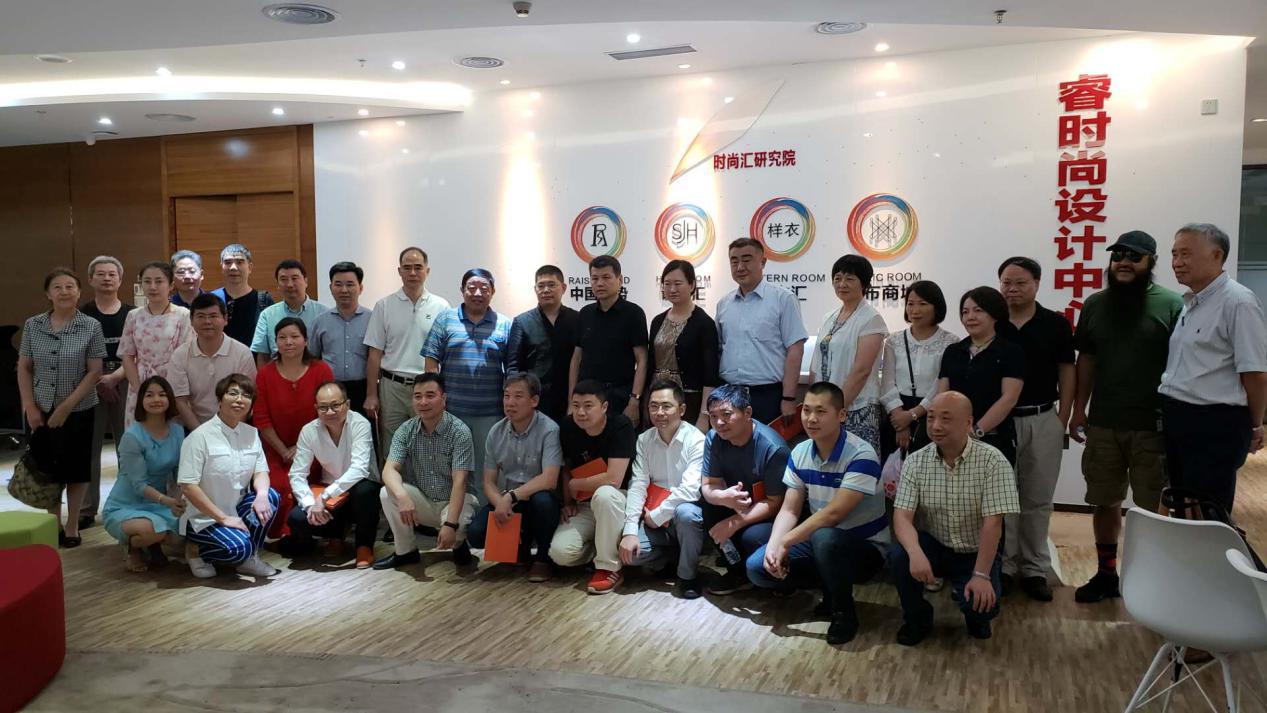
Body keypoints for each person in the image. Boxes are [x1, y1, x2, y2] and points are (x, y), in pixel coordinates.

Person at [1068, 231, 1183, 603]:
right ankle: (1106, 574)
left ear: (1151, 262)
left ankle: (1153, 581)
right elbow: (1086, 360)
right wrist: (1078, 410)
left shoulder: (1171, 304)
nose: (1124, 263)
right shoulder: (1095, 305)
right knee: (1104, 501)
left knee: (1155, 509)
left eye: (1134, 257)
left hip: (1154, 426)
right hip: (1104, 424)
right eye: (1118, 255)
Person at [747, 382, 889, 645]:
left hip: (865, 548)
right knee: (758, 567)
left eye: (821, 411)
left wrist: (787, 541)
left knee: (825, 537)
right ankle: (828, 586)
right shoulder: (800, 451)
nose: (811, 419)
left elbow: (834, 514)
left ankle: (844, 613)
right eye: (806, 410)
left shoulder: (862, 454)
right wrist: (776, 547)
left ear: (841, 415)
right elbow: (790, 508)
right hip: (821, 541)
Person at [890, 391, 1020, 645]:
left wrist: (981, 575)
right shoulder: (916, 461)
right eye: (931, 418)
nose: (936, 426)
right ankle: (917, 618)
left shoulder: (993, 461)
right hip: (935, 544)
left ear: (968, 423)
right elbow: (902, 516)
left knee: (981, 609)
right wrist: (915, 553)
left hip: (975, 551)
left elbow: (993, 524)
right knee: (900, 555)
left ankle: (974, 611)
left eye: (946, 419)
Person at [1159, 223, 1267, 512]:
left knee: (1208, 509)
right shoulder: (1192, 302)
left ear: (1217, 255)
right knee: (1183, 505)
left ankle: (1211, 544)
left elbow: (1255, 373)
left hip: (1214, 423)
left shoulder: (1238, 302)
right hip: (1179, 416)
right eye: (1174, 254)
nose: (1177, 263)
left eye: (1186, 254)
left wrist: (1255, 424)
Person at [997, 256, 1076, 602]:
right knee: (1002, 497)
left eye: (1020, 283)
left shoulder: (1055, 324)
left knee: (1038, 498)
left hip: (1044, 417)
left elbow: (1067, 371)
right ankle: (1004, 565)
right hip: (1001, 421)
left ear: (1037, 284)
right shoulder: (993, 321)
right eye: (1006, 283)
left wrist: (1064, 418)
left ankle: (1034, 568)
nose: (1012, 289)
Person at [17, 268, 106, 548]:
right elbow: (24, 367)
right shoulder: (33, 325)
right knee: (47, 468)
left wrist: (67, 407)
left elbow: (95, 371)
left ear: (79, 292)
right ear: (48, 293)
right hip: (41, 407)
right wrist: (29, 406)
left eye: (70, 287)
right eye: (57, 287)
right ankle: (53, 522)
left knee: (77, 469)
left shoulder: (91, 326)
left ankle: (72, 525)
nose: (64, 292)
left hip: (79, 408)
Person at [177, 373, 280, 579]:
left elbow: (261, 471)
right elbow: (188, 486)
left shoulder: (251, 433)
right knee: (238, 549)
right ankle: (195, 550)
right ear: (220, 399)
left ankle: (249, 559)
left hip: (236, 511)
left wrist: (261, 496)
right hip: (203, 517)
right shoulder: (199, 437)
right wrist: (222, 518)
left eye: (246, 396)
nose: (239, 400)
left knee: (271, 497)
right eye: (233, 394)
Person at [423, 268, 511, 503]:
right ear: (462, 290)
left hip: (490, 414)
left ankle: (482, 520)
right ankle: (453, 517)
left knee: (487, 472)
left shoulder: (504, 324)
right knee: (452, 469)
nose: (478, 293)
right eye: (472, 288)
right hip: (452, 412)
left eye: (484, 288)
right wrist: (434, 400)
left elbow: (512, 370)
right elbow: (431, 361)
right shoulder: (446, 319)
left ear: (493, 292)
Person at [373, 373, 478, 570]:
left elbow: (460, 481)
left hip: (455, 501)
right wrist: (402, 495)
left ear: (443, 399)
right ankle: (405, 552)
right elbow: (389, 470)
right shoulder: (406, 430)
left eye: (430, 395)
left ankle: (458, 544)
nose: (423, 402)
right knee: (387, 493)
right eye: (417, 396)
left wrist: (450, 525)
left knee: (459, 524)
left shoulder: (459, 431)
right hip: (425, 499)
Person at [466, 373, 563, 582]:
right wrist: (500, 502)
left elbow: (549, 479)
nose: (510, 403)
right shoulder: (496, 431)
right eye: (506, 396)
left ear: (534, 401)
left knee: (543, 502)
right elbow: (488, 482)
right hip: (511, 501)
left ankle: (543, 559)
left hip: (538, 498)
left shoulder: (549, 429)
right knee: (475, 534)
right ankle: (521, 549)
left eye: (518, 396)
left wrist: (510, 497)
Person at [700, 383, 791, 595]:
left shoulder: (773, 448)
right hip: (737, 503)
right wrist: (723, 497)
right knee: (708, 507)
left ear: (747, 413)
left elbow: (776, 503)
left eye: (726, 415)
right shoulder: (714, 438)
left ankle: (777, 579)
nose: (719, 423)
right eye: (713, 416)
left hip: (770, 514)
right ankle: (736, 572)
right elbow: (708, 485)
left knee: (752, 536)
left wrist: (734, 522)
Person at [618, 380, 706, 598]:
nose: (659, 413)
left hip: (680, 516)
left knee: (687, 513)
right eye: (654, 406)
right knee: (630, 554)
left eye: (666, 406)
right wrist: (630, 531)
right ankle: (671, 558)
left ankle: (688, 577)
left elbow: (690, 490)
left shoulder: (696, 439)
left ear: (682, 409)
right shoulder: (644, 440)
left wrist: (656, 516)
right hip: (653, 518)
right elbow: (638, 484)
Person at [548, 379, 636, 594]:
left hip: (617, 500)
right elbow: (567, 466)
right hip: (584, 503)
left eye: (588, 406)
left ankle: (609, 568)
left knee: (605, 494)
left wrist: (577, 484)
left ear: (604, 407)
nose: (581, 412)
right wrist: (568, 502)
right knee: (560, 553)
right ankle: (602, 551)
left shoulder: (620, 426)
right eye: (576, 405)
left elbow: (614, 478)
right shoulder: (567, 426)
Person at [253, 317, 335, 538]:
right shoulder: (265, 374)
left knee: (306, 483)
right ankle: (282, 535)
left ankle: (306, 534)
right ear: (275, 342)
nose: (288, 342)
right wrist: (283, 451)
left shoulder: (321, 370)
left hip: (314, 448)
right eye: (282, 337)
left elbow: (327, 415)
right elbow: (261, 419)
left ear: (305, 341)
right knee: (279, 486)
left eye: (294, 336)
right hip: (275, 449)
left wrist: (300, 449)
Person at [364, 247, 450, 456]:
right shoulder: (384, 306)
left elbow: (445, 354)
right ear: (399, 271)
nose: (412, 273)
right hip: (392, 387)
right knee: (393, 447)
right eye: (407, 267)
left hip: (427, 387)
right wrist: (371, 395)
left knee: (428, 445)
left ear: (427, 271)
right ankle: (392, 480)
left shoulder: (441, 307)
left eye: (418, 267)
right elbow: (374, 355)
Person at [286, 381, 382, 569]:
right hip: (329, 492)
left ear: (347, 404)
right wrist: (310, 504)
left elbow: (360, 468)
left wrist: (325, 496)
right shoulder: (309, 430)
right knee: (297, 518)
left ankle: (364, 546)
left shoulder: (360, 424)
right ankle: (335, 536)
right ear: (316, 408)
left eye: (335, 405)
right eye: (323, 407)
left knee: (366, 491)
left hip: (359, 487)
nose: (329, 412)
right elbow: (297, 474)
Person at [715, 238, 808, 424]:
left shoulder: (783, 299)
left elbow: (795, 349)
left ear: (763, 262)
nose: (740, 267)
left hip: (768, 396)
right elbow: (719, 348)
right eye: (734, 261)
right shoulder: (723, 304)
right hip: (729, 394)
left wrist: (789, 397)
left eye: (747, 259)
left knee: (767, 442)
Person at [101, 376, 186, 572]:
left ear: (169, 399)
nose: (156, 399)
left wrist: (181, 498)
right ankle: (133, 548)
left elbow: (180, 474)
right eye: (149, 395)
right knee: (152, 531)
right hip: (125, 504)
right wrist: (168, 501)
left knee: (182, 534)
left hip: (157, 504)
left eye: (162, 395)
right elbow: (139, 486)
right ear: (140, 400)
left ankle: (153, 545)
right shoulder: (132, 436)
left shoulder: (178, 432)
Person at [937, 287, 1024, 466]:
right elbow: (942, 396)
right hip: (953, 440)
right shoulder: (953, 351)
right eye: (965, 312)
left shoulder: (1010, 351)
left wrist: (976, 431)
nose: (970, 317)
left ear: (994, 314)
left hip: (994, 439)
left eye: (978, 310)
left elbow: (1009, 398)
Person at [808, 255, 887, 451]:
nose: (842, 284)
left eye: (850, 279)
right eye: (837, 278)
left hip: (855, 408)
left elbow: (861, 371)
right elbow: (816, 362)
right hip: (825, 409)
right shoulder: (829, 317)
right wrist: (814, 402)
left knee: (857, 462)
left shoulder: (871, 319)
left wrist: (836, 409)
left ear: (864, 283)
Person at [80, 255, 135, 528]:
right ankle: (86, 509)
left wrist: (114, 377)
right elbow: (77, 353)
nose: (106, 278)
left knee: (129, 446)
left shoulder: (132, 314)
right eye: (100, 274)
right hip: (89, 383)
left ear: (120, 279)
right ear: (91, 279)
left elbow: (137, 352)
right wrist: (100, 380)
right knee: (89, 448)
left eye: (112, 274)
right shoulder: (81, 314)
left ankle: (128, 502)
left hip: (126, 379)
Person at [880, 280, 958, 459]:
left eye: (923, 304)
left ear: (937, 307)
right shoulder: (894, 340)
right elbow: (887, 383)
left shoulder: (951, 342)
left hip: (932, 413)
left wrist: (913, 415)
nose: (915, 310)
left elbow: (940, 384)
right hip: (896, 413)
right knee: (892, 469)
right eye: (910, 304)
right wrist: (900, 420)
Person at [569, 256, 648, 426]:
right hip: (587, 398)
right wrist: (571, 401)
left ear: (619, 280)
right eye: (595, 278)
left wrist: (634, 401)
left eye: (606, 277)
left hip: (620, 397)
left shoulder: (634, 314)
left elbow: (642, 360)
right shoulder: (584, 314)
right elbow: (576, 359)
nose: (599, 283)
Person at [119, 261, 192, 429]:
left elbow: (186, 354)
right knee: (139, 433)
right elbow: (127, 356)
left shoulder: (183, 315)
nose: (153, 287)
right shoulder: (133, 315)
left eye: (159, 281)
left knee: (170, 431)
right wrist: (140, 390)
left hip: (172, 382)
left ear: (171, 285)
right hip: (140, 381)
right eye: (147, 281)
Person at [647, 260, 720, 430]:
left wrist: (704, 415)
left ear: (692, 285)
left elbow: (710, 373)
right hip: (657, 399)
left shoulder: (704, 323)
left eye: (678, 283)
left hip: (689, 402)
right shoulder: (657, 321)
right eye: (667, 284)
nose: (672, 289)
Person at [168, 293, 257, 429]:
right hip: (194, 428)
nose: (207, 321)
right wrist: (203, 435)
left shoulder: (242, 353)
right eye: (201, 316)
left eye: (213, 316)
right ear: (191, 321)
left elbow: (246, 399)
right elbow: (180, 402)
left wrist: (229, 431)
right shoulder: (180, 355)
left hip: (235, 427)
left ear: (225, 319)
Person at [507, 265, 579, 424]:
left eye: (551, 285)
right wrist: (517, 398)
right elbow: (513, 366)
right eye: (541, 286)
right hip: (534, 401)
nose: (546, 290)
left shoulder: (577, 319)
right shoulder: (522, 322)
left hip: (570, 400)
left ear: (564, 288)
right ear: (535, 289)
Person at [309, 261, 372, 423]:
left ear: (360, 288)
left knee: (363, 432)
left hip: (363, 389)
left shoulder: (372, 319)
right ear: (331, 288)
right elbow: (313, 358)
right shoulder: (319, 322)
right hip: (329, 390)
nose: (344, 290)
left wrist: (372, 394)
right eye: (338, 284)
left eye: (350, 284)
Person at [250, 259, 327, 364]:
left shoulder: (323, 313)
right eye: (284, 279)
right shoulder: (267, 315)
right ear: (278, 285)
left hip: (314, 371)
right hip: (278, 371)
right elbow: (262, 355)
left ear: (306, 282)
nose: (290, 284)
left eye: (295, 278)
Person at [211, 243, 275, 347]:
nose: (233, 267)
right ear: (222, 267)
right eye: (228, 262)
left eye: (239, 262)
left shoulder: (264, 300)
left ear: (250, 267)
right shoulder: (211, 299)